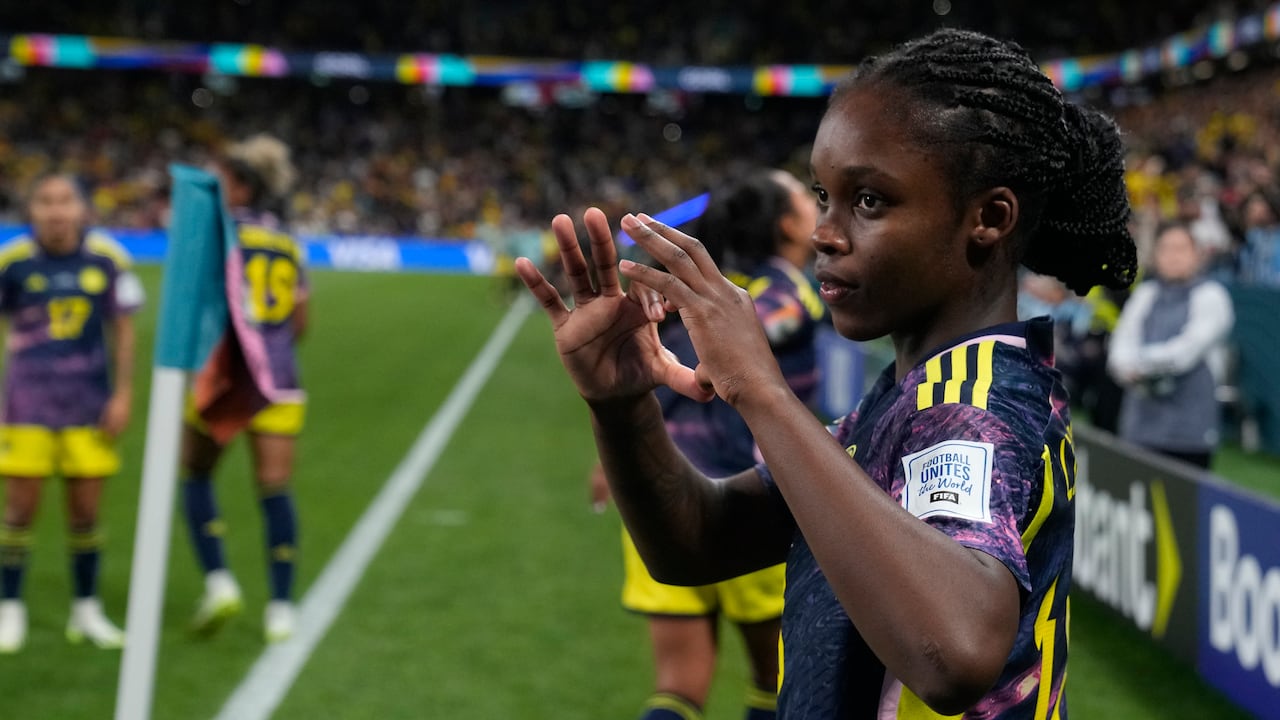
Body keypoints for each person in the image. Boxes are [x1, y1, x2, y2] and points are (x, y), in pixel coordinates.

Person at [517, 28, 1136, 718]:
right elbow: (696, 540)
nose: (824, 232)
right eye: (823, 196)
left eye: (869, 200)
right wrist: (622, 406)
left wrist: (761, 390)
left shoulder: (973, 400)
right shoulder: (911, 394)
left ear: (988, 218)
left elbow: (955, 652)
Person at [589, 168, 823, 720]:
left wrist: (614, 442)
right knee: (776, 680)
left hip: (662, 487)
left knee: (677, 685)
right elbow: (728, 351)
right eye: (809, 198)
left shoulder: (701, 294)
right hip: (752, 497)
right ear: (790, 224)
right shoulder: (787, 293)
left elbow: (653, 370)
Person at [0, 173, 145, 652]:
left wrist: (122, 395)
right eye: (45, 201)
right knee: (19, 511)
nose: (55, 211)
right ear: (32, 209)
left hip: (89, 405)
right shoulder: (12, 262)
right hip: (25, 406)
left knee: (86, 515)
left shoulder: (107, 259)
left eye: (65, 201)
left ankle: (86, 610)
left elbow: (123, 329)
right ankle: (9, 609)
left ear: (83, 208)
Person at [179, 134, 308, 643]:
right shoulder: (286, 241)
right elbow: (300, 319)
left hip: (226, 374)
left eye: (218, 182)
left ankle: (218, 581)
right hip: (279, 378)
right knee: (274, 489)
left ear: (240, 188)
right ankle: (280, 606)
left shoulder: (213, 236)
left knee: (196, 473)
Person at [1108, 222, 1235, 469]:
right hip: (1139, 426)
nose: (1173, 256)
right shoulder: (1146, 293)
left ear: (1197, 255)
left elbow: (1186, 351)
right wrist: (1125, 366)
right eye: (1165, 248)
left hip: (1188, 434)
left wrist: (1139, 366)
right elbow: (1121, 343)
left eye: (1181, 248)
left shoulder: (1212, 296)